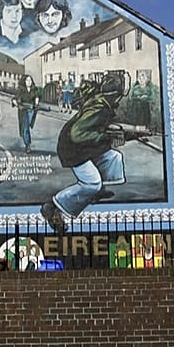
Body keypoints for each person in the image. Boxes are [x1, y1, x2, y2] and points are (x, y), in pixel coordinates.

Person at [41, 73, 129, 233]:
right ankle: (52, 206)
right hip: (73, 149)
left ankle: (96, 193)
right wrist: (107, 137)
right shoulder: (99, 108)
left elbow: (96, 127)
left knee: (114, 157)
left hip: (83, 146)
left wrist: (114, 134)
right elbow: (77, 134)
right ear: (116, 94)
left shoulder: (102, 103)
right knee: (92, 183)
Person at [11, 75, 40, 154]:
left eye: (30, 80)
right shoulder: (21, 90)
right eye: (27, 80)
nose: (29, 82)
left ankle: (27, 143)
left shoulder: (34, 89)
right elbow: (14, 99)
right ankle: (28, 145)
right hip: (23, 111)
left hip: (31, 110)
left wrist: (36, 104)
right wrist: (18, 105)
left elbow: (37, 97)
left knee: (28, 125)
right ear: (24, 81)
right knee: (25, 128)